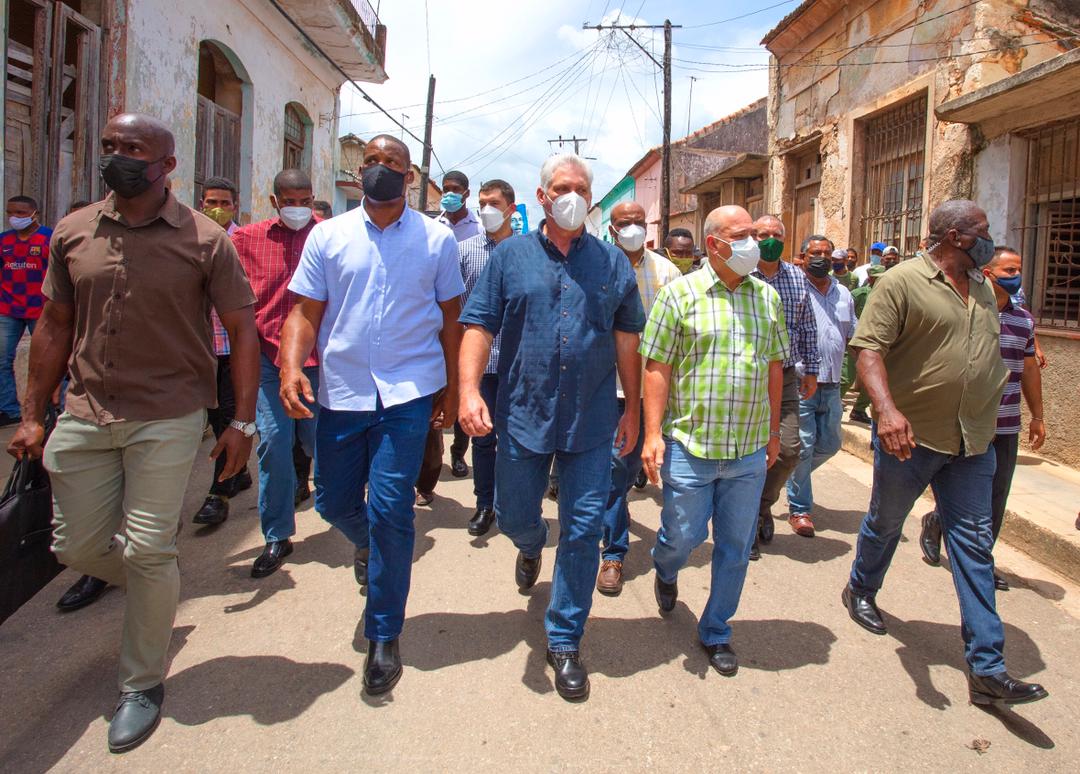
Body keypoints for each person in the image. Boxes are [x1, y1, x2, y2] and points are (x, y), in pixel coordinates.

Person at [8, 113, 259, 752]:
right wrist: (34, 412)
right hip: (85, 412)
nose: (118, 157)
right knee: (75, 547)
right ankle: (156, 592)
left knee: (148, 549)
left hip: (169, 414)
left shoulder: (206, 241)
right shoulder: (72, 231)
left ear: (166, 165)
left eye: (134, 149)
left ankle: (141, 682)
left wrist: (241, 421)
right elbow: (54, 325)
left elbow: (244, 330)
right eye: (111, 147)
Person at [842, 199, 1048, 707]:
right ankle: (861, 588)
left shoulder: (983, 285)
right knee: (886, 521)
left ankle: (987, 668)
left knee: (974, 546)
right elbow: (868, 349)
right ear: (955, 235)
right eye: (982, 230)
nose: (988, 237)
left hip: (973, 439)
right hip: (911, 437)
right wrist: (886, 411)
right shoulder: (901, 282)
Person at [280, 134, 464, 696]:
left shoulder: (436, 241)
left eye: (393, 164)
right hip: (340, 391)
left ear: (411, 176)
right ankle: (365, 544)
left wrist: (454, 391)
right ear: (359, 174)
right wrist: (291, 367)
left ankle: (385, 632)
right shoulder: (327, 236)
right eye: (372, 163)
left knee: (392, 511)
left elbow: (452, 319)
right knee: (334, 500)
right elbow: (304, 313)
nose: (381, 171)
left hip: (407, 394)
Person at [459, 152, 644, 701]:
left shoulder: (612, 263)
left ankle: (564, 637)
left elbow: (627, 338)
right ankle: (530, 542)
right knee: (516, 514)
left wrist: (632, 409)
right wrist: (469, 390)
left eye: (583, 189)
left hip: (592, 418)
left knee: (585, 528)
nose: (574, 198)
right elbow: (478, 324)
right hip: (522, 414)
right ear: (541, 196)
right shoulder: (509, 257)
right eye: (563, 188)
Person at [641, 204, 787, 678]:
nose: (754, 244)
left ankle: (717, 629)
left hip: (746, 450)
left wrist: (770, 434)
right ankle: (665, 568)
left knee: (735, 546)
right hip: (690, 445)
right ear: (714, 244)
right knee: (682, 537)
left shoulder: (767, 298)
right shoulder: (677, 296)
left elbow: (773, 366)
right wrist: (651, 434)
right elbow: (657, 367)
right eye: (742, 235)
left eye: (755, 234)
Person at [919, 246, 1046, 592]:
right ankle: (937, 520)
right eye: (1008, 270)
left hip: (1004, 424)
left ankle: (980, 563)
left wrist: (1038, 415)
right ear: (988, 273)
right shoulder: (969, 309)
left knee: (995, 498)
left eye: (1019, 269)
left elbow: (1031, 368)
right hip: (967, 421)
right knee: (961, 491)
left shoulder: (1023, 320)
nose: (1016, 275)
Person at [230, 169, 322, 578]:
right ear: (274, 201)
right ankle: (277, 533)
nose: (298, 208)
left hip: (321, 360)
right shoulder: (245, 241)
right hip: (269, 358)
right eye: (290, 201)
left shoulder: (329, 235)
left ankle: (353, 512)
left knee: (323, 440)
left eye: (305, 200)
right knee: (273, 443)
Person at [596, 201, 682, 596]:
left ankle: (672, 552)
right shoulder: (596, 266)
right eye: (623, 223)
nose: (631, 228)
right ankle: (613, 553)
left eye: (637, 222)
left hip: (656, 391)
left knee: (645, 470)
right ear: (612, 230)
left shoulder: (667, 272)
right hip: (609, 390)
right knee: (616, 471)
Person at [748, 213, 819, 560]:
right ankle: (743, 525)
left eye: (776, 233)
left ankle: (761, 506)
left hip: (787, 374)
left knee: (789, 449)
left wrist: (813, 369)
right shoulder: (742, 273)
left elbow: (807, 326)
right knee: (744, 453)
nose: (769, 239)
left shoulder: (797, 277)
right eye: (762, 234)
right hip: (747, 375)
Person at [190, 176, 253, 526]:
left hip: (232, 347)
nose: (217, 209)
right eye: (211, 201)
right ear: (201, 203)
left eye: (224, 203)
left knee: (231, 418)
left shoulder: (244, 243)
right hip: (198, 348)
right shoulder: (190, 241)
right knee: (213, 419)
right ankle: (238, 471)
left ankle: (218, 491)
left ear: (234, 205)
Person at [456, 178, 517, 537]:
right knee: (482, 437)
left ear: (511, 207)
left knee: (517, 439)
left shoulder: (527, 251)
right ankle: (484, 504)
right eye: (482, 203)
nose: (486, 210)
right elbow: (456, 310)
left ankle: (513, 503)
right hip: (482, 365)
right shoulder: (465, 251)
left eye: (493, 203)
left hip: (519, 364)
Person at [785, 236, 856, 537]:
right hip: (802, 382)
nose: (822, 258)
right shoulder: (796, 291)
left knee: (830, 444)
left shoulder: (844, 294)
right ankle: (800, 509)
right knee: (803, 446)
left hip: (833, 382)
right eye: (816, 253)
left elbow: (850, 334)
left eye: (827, 253)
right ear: (802, 256)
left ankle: (783, 476)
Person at [436, 171, 482, 488]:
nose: (449, 194)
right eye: (445, 189)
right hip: (437, 316)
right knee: (439, 382)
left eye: (455, 190)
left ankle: (458, 451)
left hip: (467, 317)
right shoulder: (434, 226)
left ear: (466, 194)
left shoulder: (477, 229)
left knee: (464, 382)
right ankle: (430, 449)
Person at [0, 195, 51, 427]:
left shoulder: (49, 239)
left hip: (41, 309)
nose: (14, 217)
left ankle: (51, 407)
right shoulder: (3, 240)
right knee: (2, 359)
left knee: (47, 360)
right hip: (8, 309)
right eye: (11, 212)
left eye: (21, 213)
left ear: (34, 213)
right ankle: (9, 409)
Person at [843, 264, 885, 424]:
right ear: (871, 278)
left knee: (875, 379)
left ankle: (859, 409)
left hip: (878, 342)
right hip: (857, 340)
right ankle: (831, 405)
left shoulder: (887, 294)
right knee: (847, 377)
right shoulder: (859, 294)